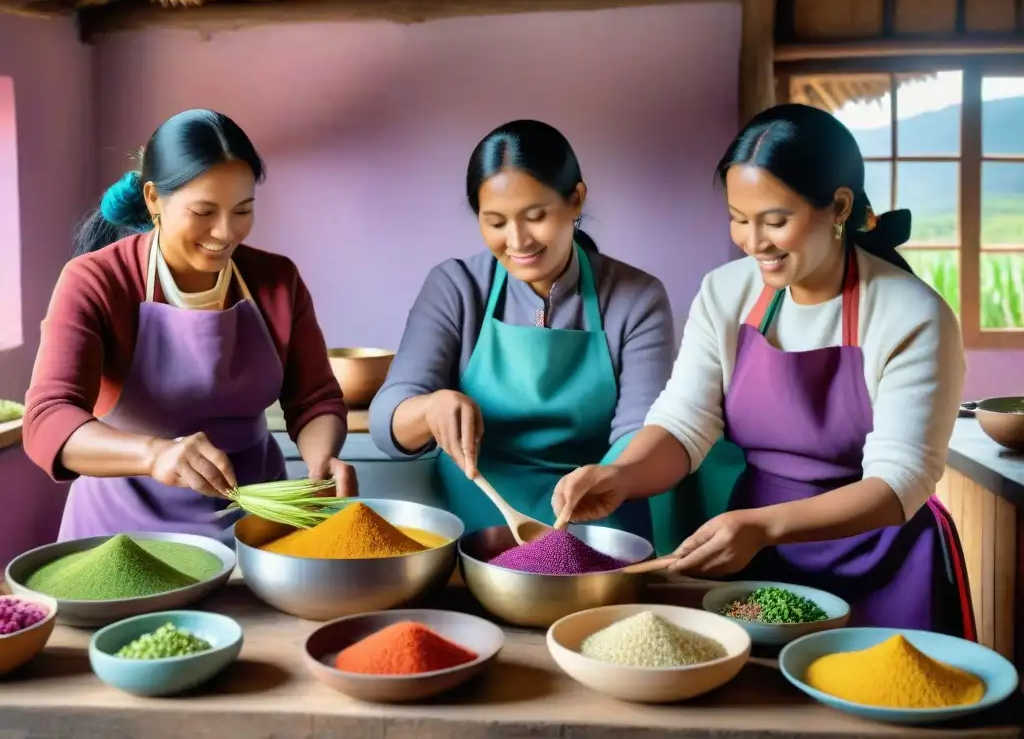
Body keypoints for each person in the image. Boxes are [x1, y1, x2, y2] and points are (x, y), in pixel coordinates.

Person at [552, 104, 976, 638]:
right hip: (757, 565)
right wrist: (621, 475)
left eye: (775, 221)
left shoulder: (911, 314)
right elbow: (684, 424)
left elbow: (899, 484)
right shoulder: (726, 293)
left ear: (838, 206)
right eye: (738, 218)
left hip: (882, 564)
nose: (753, 242)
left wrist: (764, 526)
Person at [23, 109, 358, 545]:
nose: (225, 232)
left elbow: (314, 399)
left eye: (243, 210)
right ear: (152, 199)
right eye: (203, 211)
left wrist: (322, 459)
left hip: (256, 525)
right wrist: (153, 454)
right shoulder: (96, 281)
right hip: (123, 535)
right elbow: (48, 418)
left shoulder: (277, 280)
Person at [369, 119, 675, 536]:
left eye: (536, 216)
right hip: (473, 534)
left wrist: (615, 474)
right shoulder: (456, 287)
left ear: (576, 200)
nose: (518, 241)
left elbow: (642, 431)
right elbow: (388, 422)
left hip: (599, 526)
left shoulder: (635, 297)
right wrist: (430, 407)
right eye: (496, 222)